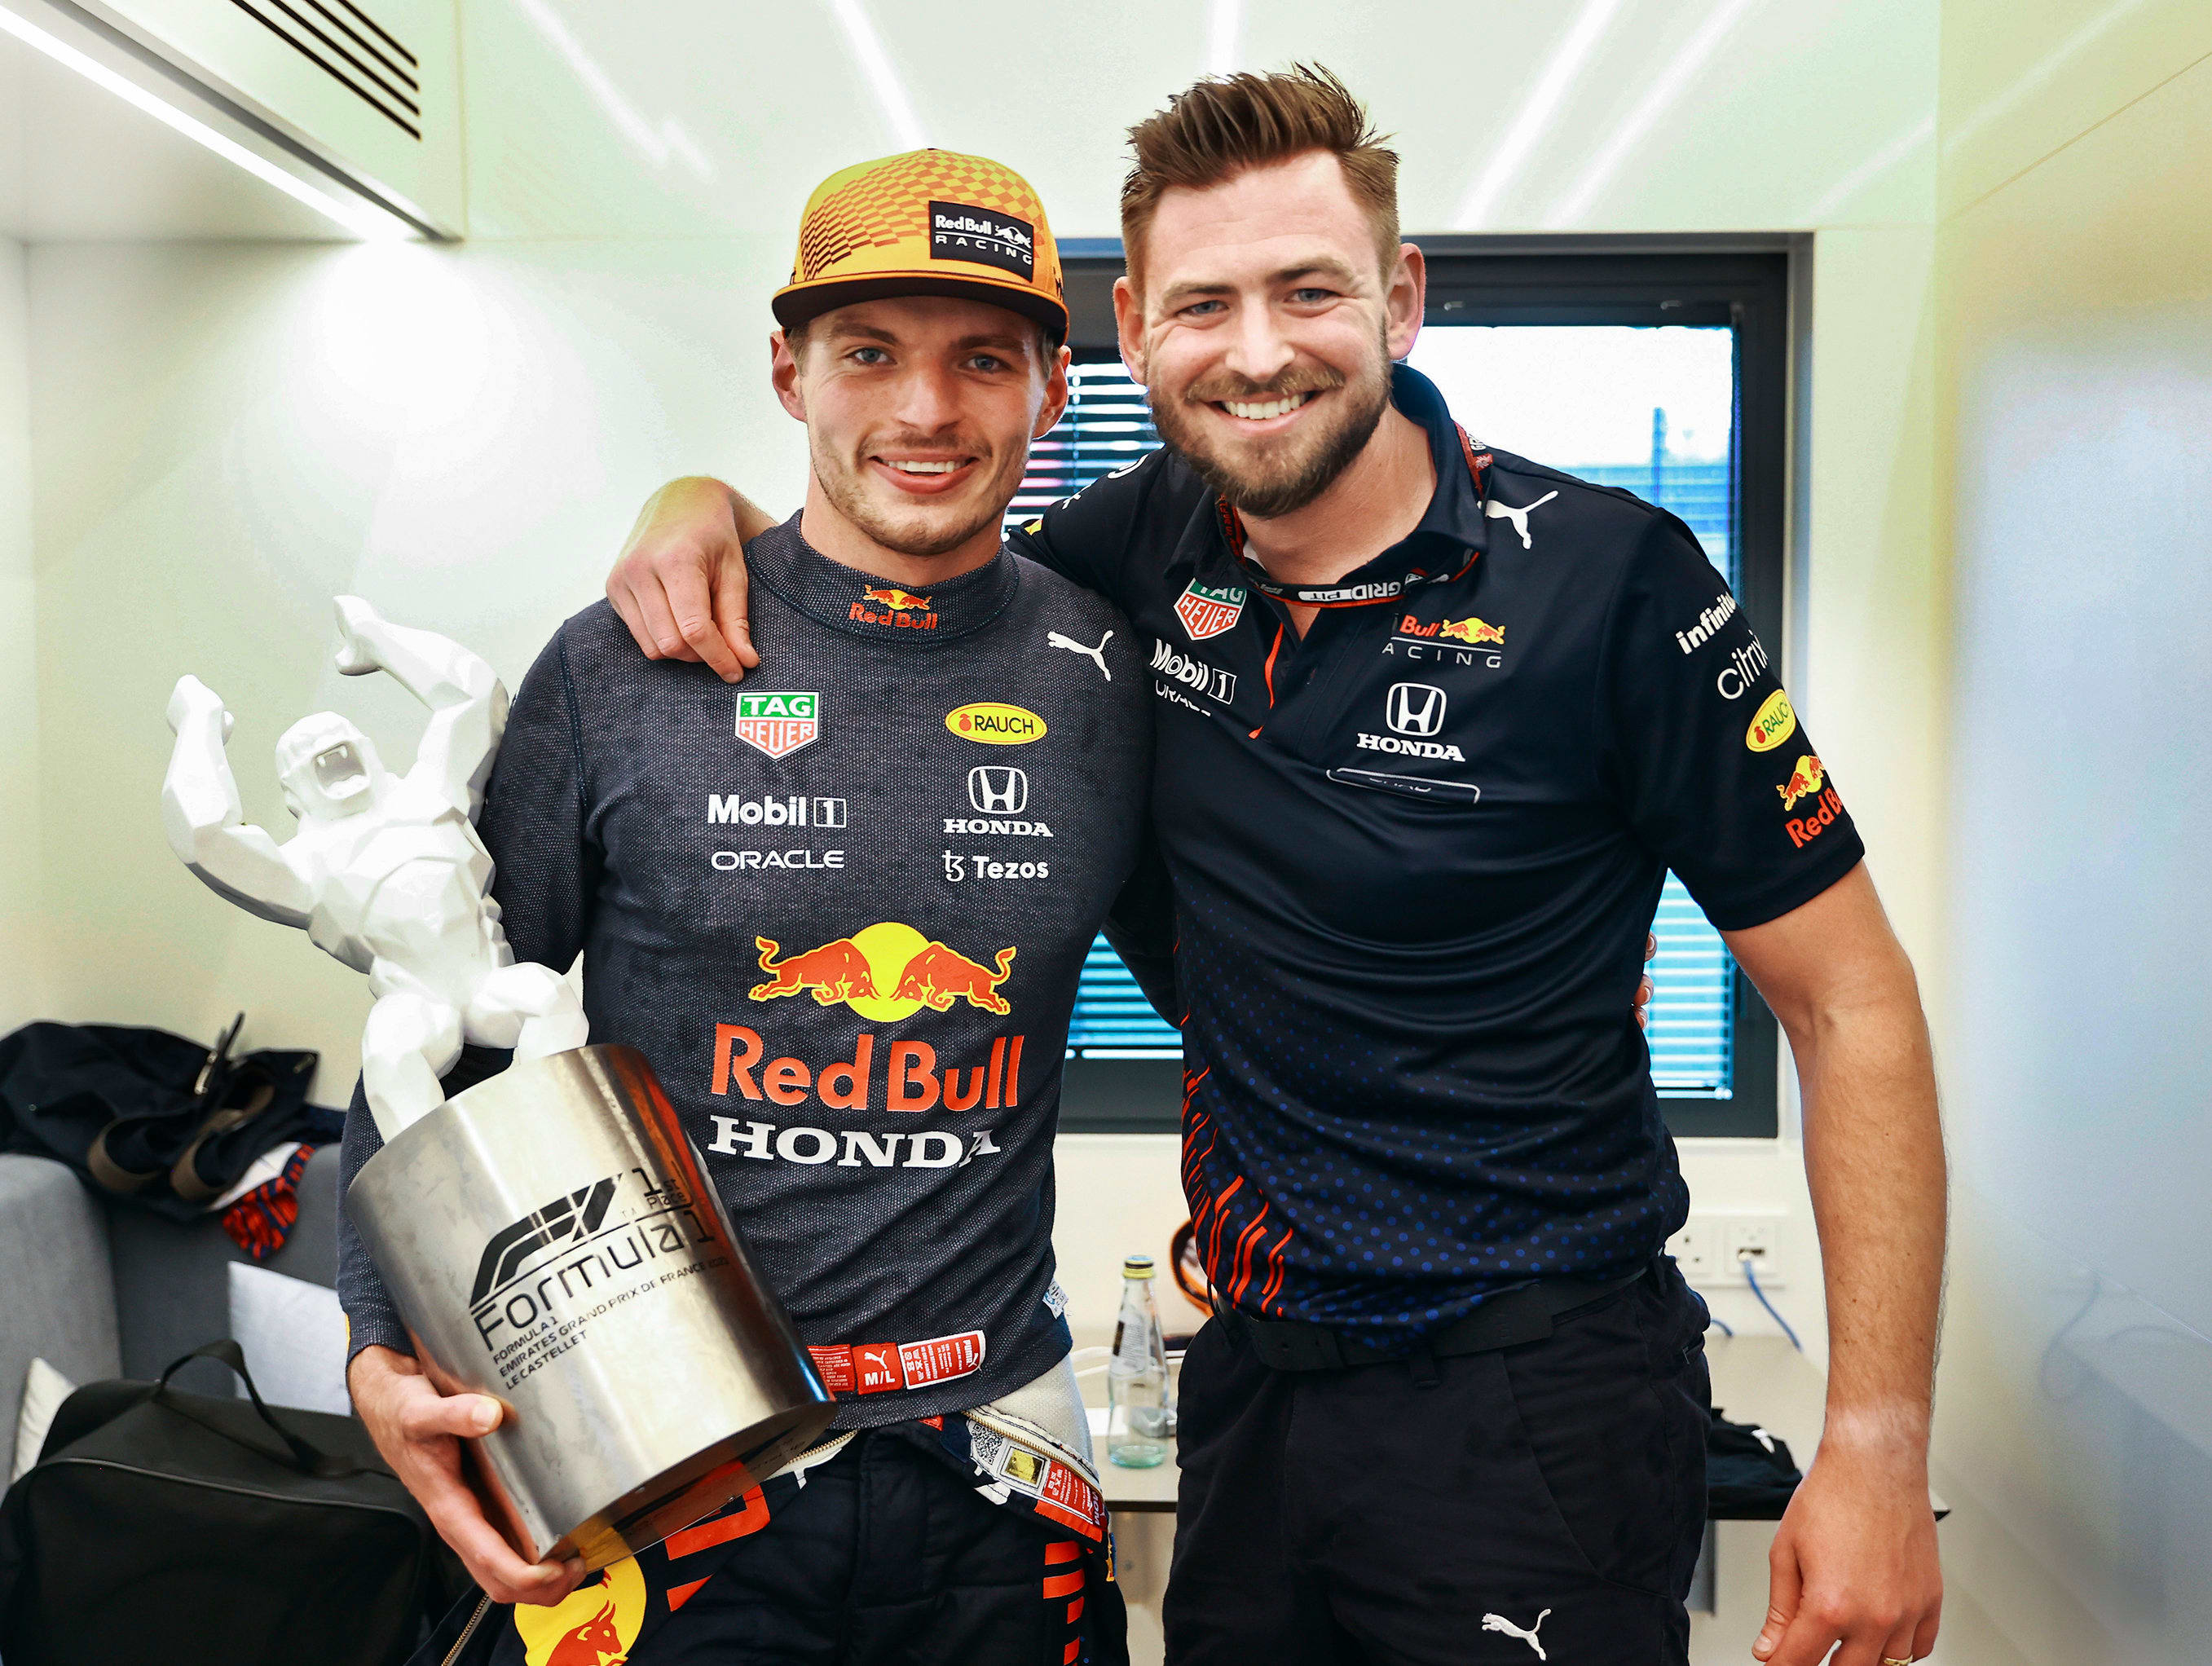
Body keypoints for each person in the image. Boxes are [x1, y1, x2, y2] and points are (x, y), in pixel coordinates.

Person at [599, 66, 1949, 1666]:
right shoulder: (1125, 553)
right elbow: (879, 586)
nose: (1253, 350)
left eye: (1307, 291)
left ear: (1400, 297)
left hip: (1536, 1397)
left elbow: (1849, 1002)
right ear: (1132, 333)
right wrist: (693, 503)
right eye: (1202, 304)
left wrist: (1873, 1440)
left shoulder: (1610, 585)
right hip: (1247, 1386)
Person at [338, 149, 1154, 1666]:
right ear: (787, 373)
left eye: (983, 358)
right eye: (869, 354)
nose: (924, 410)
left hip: (995, 1476)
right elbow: (441, 1003)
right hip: (667, 1466)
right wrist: (377, 1337)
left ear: (1055, 383)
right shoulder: (621, 658)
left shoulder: (1111, 679)